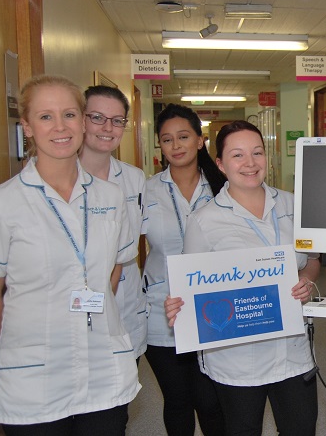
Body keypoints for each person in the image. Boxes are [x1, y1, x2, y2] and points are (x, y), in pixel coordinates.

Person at [0, 74, 140, 435]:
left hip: (101, 364)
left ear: (83, 122)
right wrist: (27, 347)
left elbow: (113, 268)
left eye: (69, 114)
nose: (60, 127)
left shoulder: (110, 197)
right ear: (28, 127)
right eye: (45, 117)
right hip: (34, 375)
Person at [165, 120, 321, 436]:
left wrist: (306, 281)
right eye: (237, 155)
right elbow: (189, 286)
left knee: (301, 428)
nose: (250, 164)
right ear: (221, 164)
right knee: (242, 429)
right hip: (236, 358)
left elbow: (313, 261)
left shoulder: (294, 205)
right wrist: (178, 309)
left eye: (257, 153)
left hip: (292, 346)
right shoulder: (205, 220)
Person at [143, 103, 226, 435]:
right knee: (177, 401)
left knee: (210, 401)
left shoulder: (224, 188)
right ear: (159, 146)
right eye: (166, 140)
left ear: (200, 140)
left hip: (215, 309)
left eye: (183, 137)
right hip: (161, 311)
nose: (175, 146)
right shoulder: (146, 190)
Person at [79, 85, 148, 361]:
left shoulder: (134, 179)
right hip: (76, 305)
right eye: (97, 117)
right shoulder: (59, 178)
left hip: (125, 302)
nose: (108, 127)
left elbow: (136, 241)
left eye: (117, 120)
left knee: (122, 397)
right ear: (80, 119)